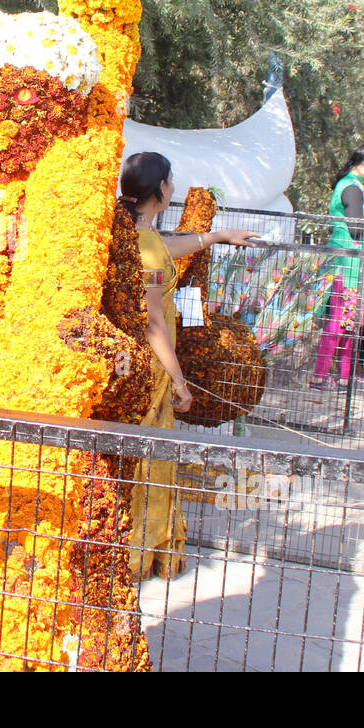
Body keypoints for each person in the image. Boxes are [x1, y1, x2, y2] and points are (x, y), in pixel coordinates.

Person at [117, 152, 257, 579]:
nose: (174, 188)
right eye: (171, 182)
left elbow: (166, 247)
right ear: (160, 191)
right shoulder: (145, 250)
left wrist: (216, 236)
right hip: (152, 366)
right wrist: (178, 380)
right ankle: (139, 552)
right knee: (151, 455)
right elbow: (155, 321)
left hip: (129, 361)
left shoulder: (129, 234)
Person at [310, 144, 364, 390]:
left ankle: (344, 375)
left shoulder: (354, 186)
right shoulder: (351, 188)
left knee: (349, 323)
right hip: (346, 266)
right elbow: (355, 228)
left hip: (354, 266)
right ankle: (320, 376)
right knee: (339, 322)